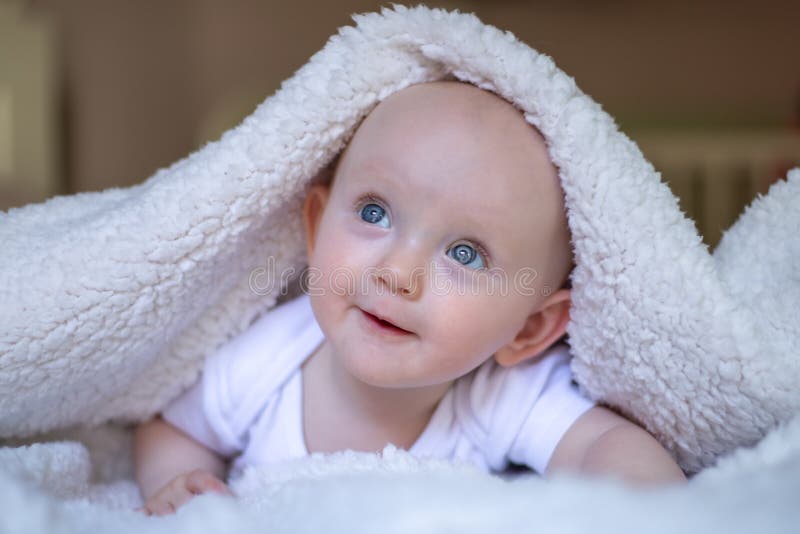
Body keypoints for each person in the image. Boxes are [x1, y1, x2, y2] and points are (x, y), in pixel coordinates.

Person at [133, 80, 686, 516]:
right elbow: (177, 426)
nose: (398, 274)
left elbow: (604, 446)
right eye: (374, 213)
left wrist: (645, 509)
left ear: (527, 330)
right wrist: (176, 484)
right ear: (317, 225)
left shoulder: (498, 397)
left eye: (465, 253)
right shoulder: (267, 362)